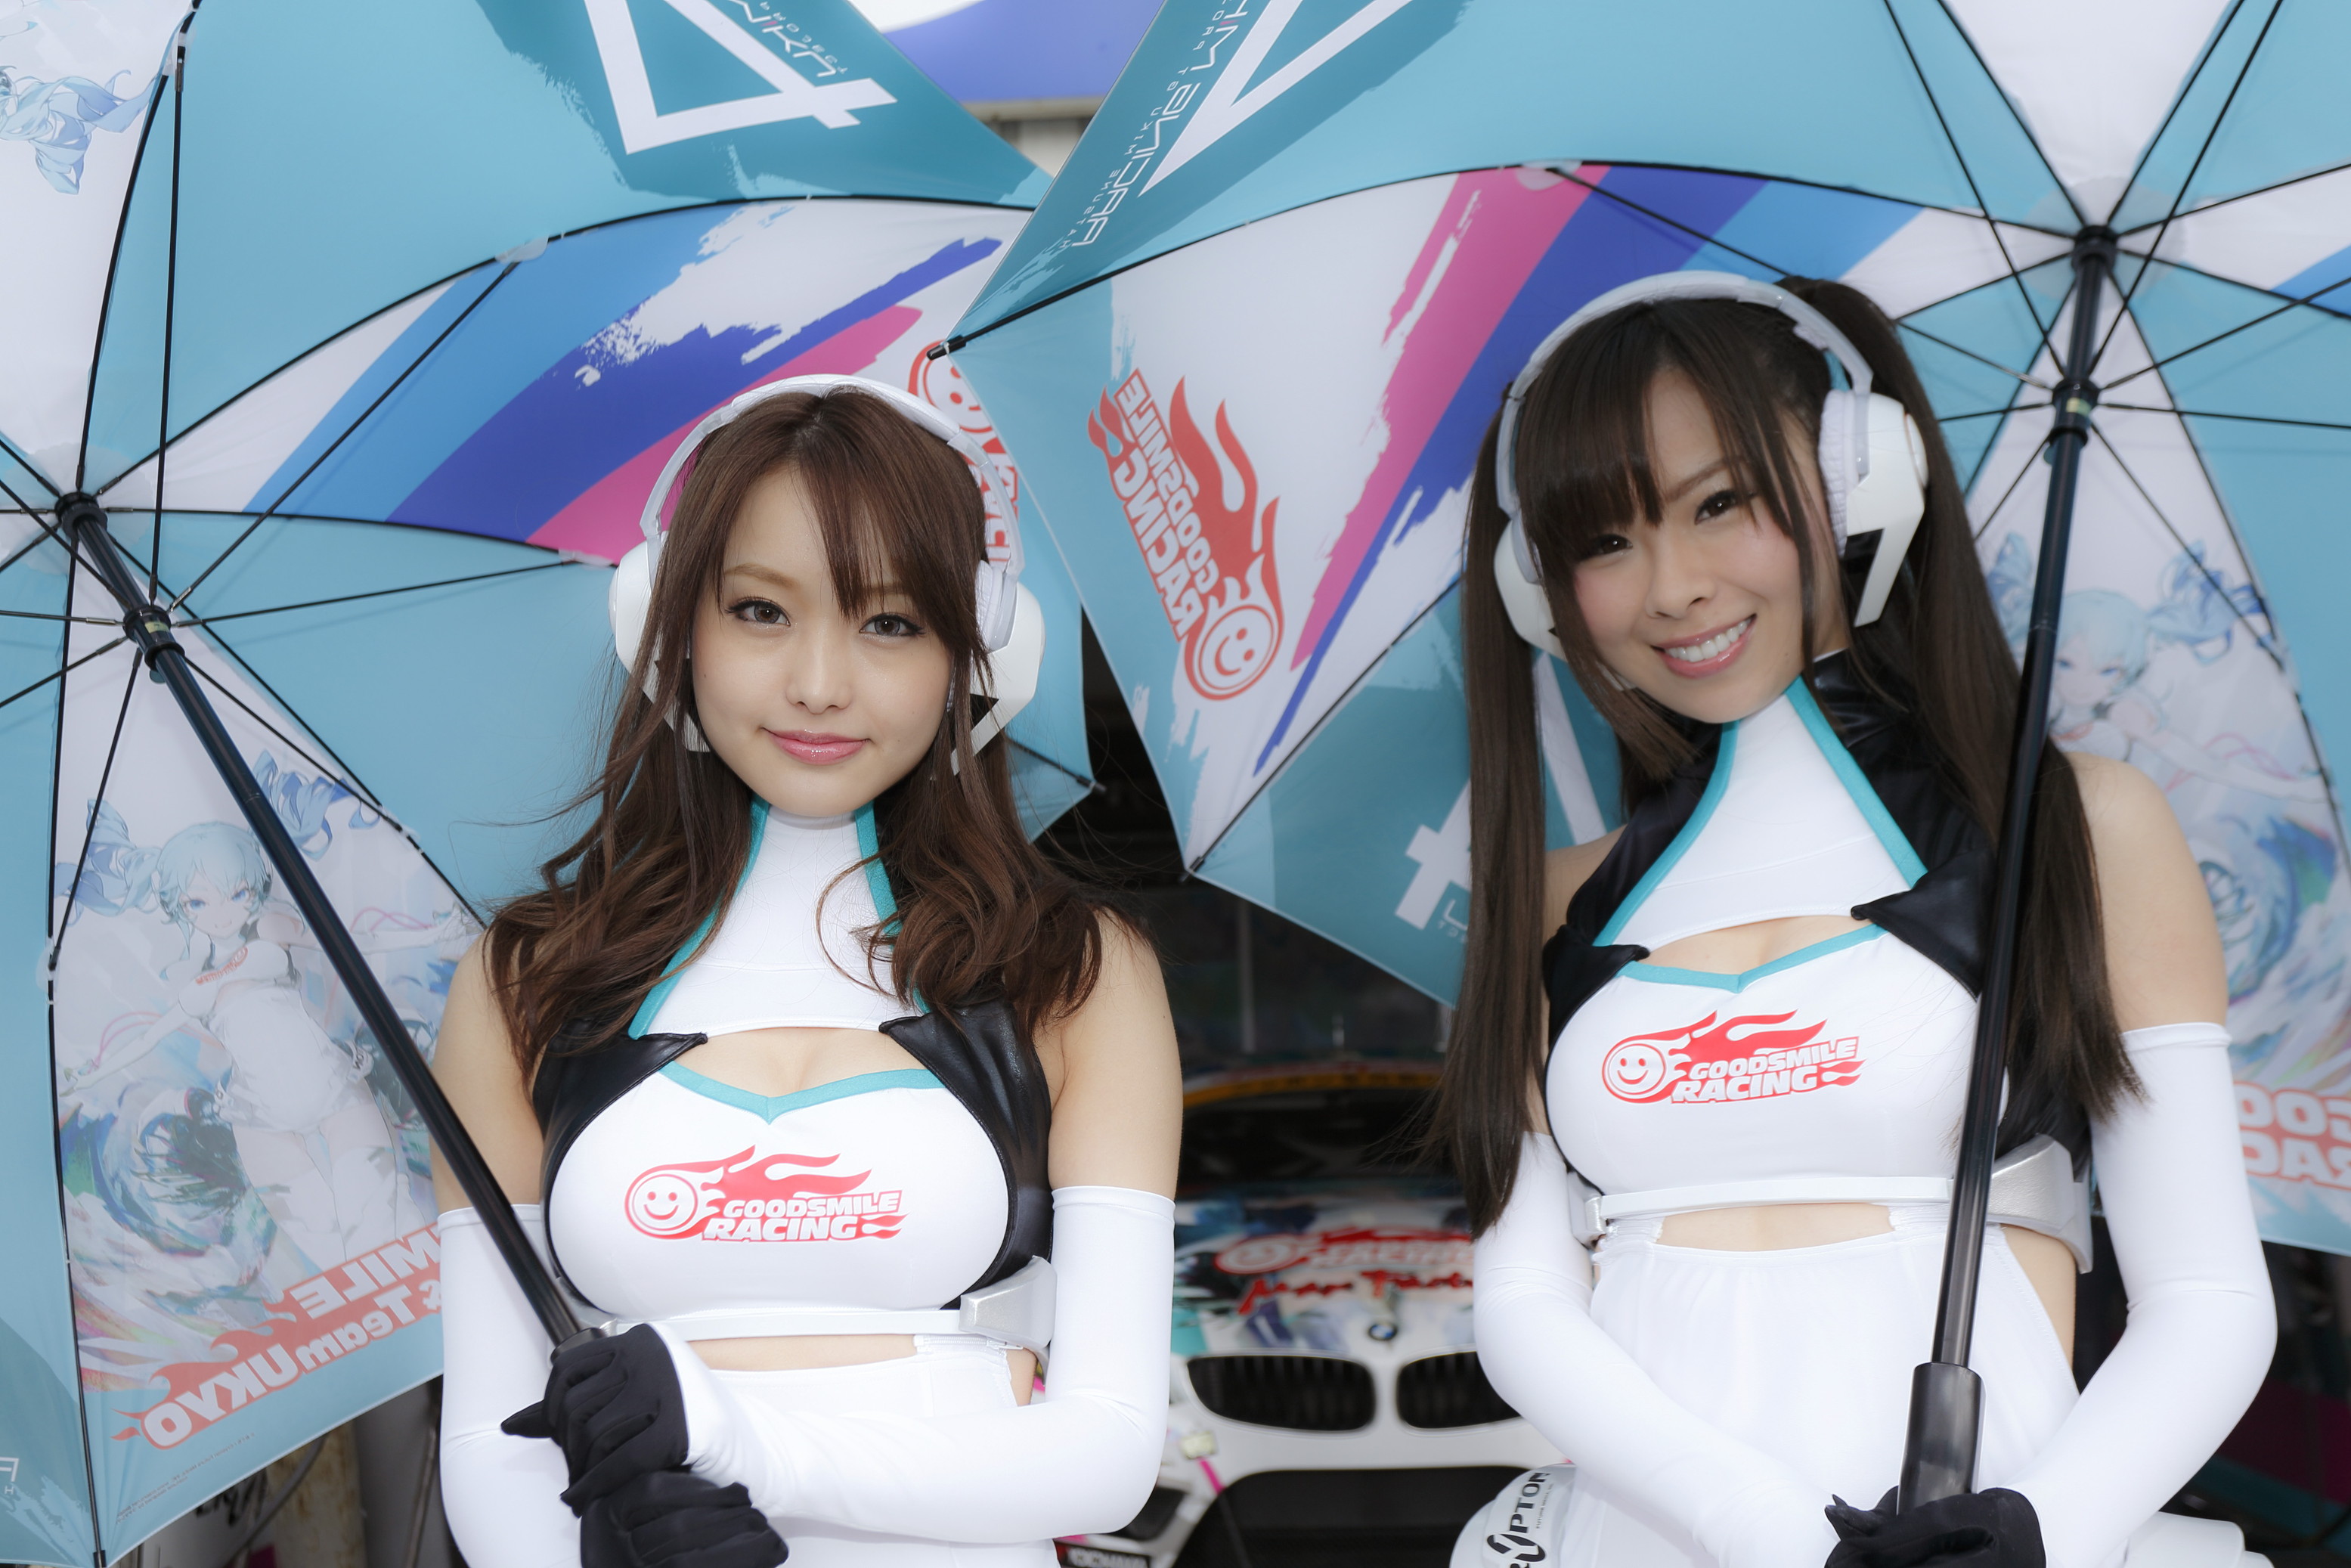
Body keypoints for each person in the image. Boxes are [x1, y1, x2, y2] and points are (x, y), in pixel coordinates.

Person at [1435, 274, 2272, 1568]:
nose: (1671, 587)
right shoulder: (1559, 898)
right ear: (1536, 586)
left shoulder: (2079, 831)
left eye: (1720, 503)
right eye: (1603, 543)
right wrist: (1760, 1525)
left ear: (1860, 478)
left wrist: (2042, 1529)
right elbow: (1525, 1301)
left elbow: (2208, 1297)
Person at [430, 378, 1181, 1567]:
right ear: (667, 625)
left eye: (891, 622)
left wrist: (746, 1448)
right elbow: (489, 1436)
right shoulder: (526, 980)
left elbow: (1110, 1447)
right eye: (760, 610)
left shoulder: (1074, 973)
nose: (820, 681)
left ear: (976, 650)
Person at [61, 819, 442, 1269]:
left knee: (381, 1223)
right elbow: (148, 1038)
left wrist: (431, 934)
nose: (221, 914)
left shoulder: (271, 928)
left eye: (237, 893)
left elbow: (353, 941)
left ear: (254, 887)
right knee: (330, 1251)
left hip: (330, 1083)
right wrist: (91, 1076)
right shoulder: (195, 982)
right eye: (198, 902)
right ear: (180, 906)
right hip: (258, 1113)